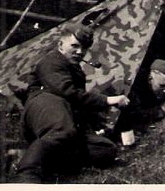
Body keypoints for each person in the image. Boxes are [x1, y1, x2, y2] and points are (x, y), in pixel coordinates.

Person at [13, 24, 130, 183]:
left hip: (64, 111)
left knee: (104, 150)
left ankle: (40, 156)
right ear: (61, 44)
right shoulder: (51, 60)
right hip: (44, 101)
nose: (80, 52)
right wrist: (108, 100)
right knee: (63, 130)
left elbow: (78, 103)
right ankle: (27, 175)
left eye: (84, 48)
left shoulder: (75, 68)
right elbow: (67, 91)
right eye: (74, 46)